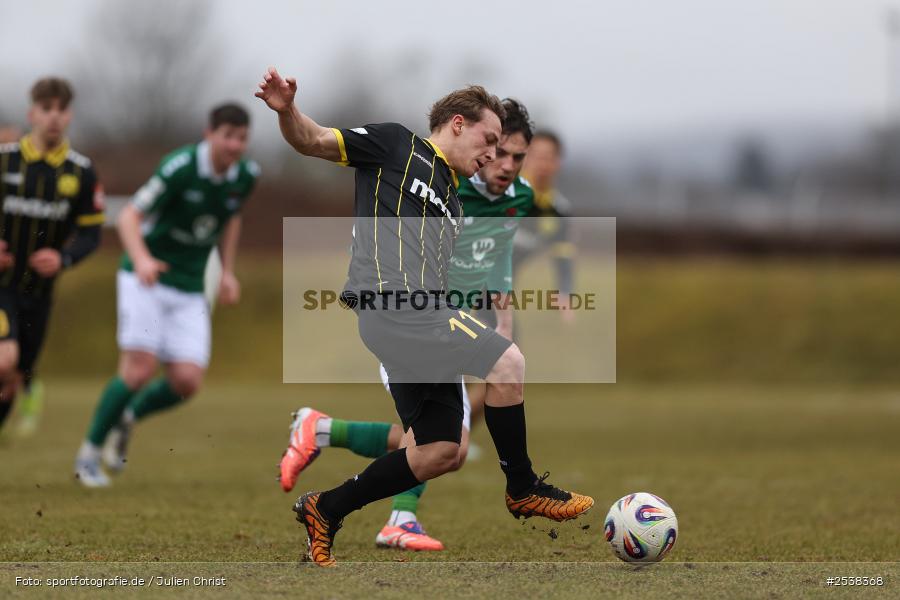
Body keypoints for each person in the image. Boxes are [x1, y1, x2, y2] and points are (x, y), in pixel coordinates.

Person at [257, 67, 593, 567]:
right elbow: (312, 141)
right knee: (509, 363)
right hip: (397, 309)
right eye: (489, 140)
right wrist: (287, 112)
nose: (492, 154)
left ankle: (326, 509)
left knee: (440, 451)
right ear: (457, 123)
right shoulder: (396, 145)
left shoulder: (455, 199)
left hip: (420, 318)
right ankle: (522, 487)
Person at [74, 103, 259, 487]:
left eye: (242, 138)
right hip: (147, 280)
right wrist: (142, 259)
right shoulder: (179, 168)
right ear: (209, 134)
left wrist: (226, 272)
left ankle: (127, 418)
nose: (234, 144)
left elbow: (231, 218)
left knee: (187, 381)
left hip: (190, 285)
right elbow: (128, 217)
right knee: (139, 369)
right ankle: (88, 455)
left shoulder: (245, 176)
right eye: (227, 135)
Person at [0, 78, 104, 438]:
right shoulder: (5, 161)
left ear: (69, 115)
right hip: (2, 287)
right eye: (47, 109)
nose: (54, 117)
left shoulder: (81, 172)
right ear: (32, 113)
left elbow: (91, 234)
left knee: (14, 377)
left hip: (40, 294)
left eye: (61, 110)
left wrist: (63, 259)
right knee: (4, 361)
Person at [514, 130, 576, 322]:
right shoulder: (500, 195)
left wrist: (564, 292)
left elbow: (563, 254)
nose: (540, 163)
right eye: (535, 156)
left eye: (547, 157)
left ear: (558, 163)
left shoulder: (559, 209)